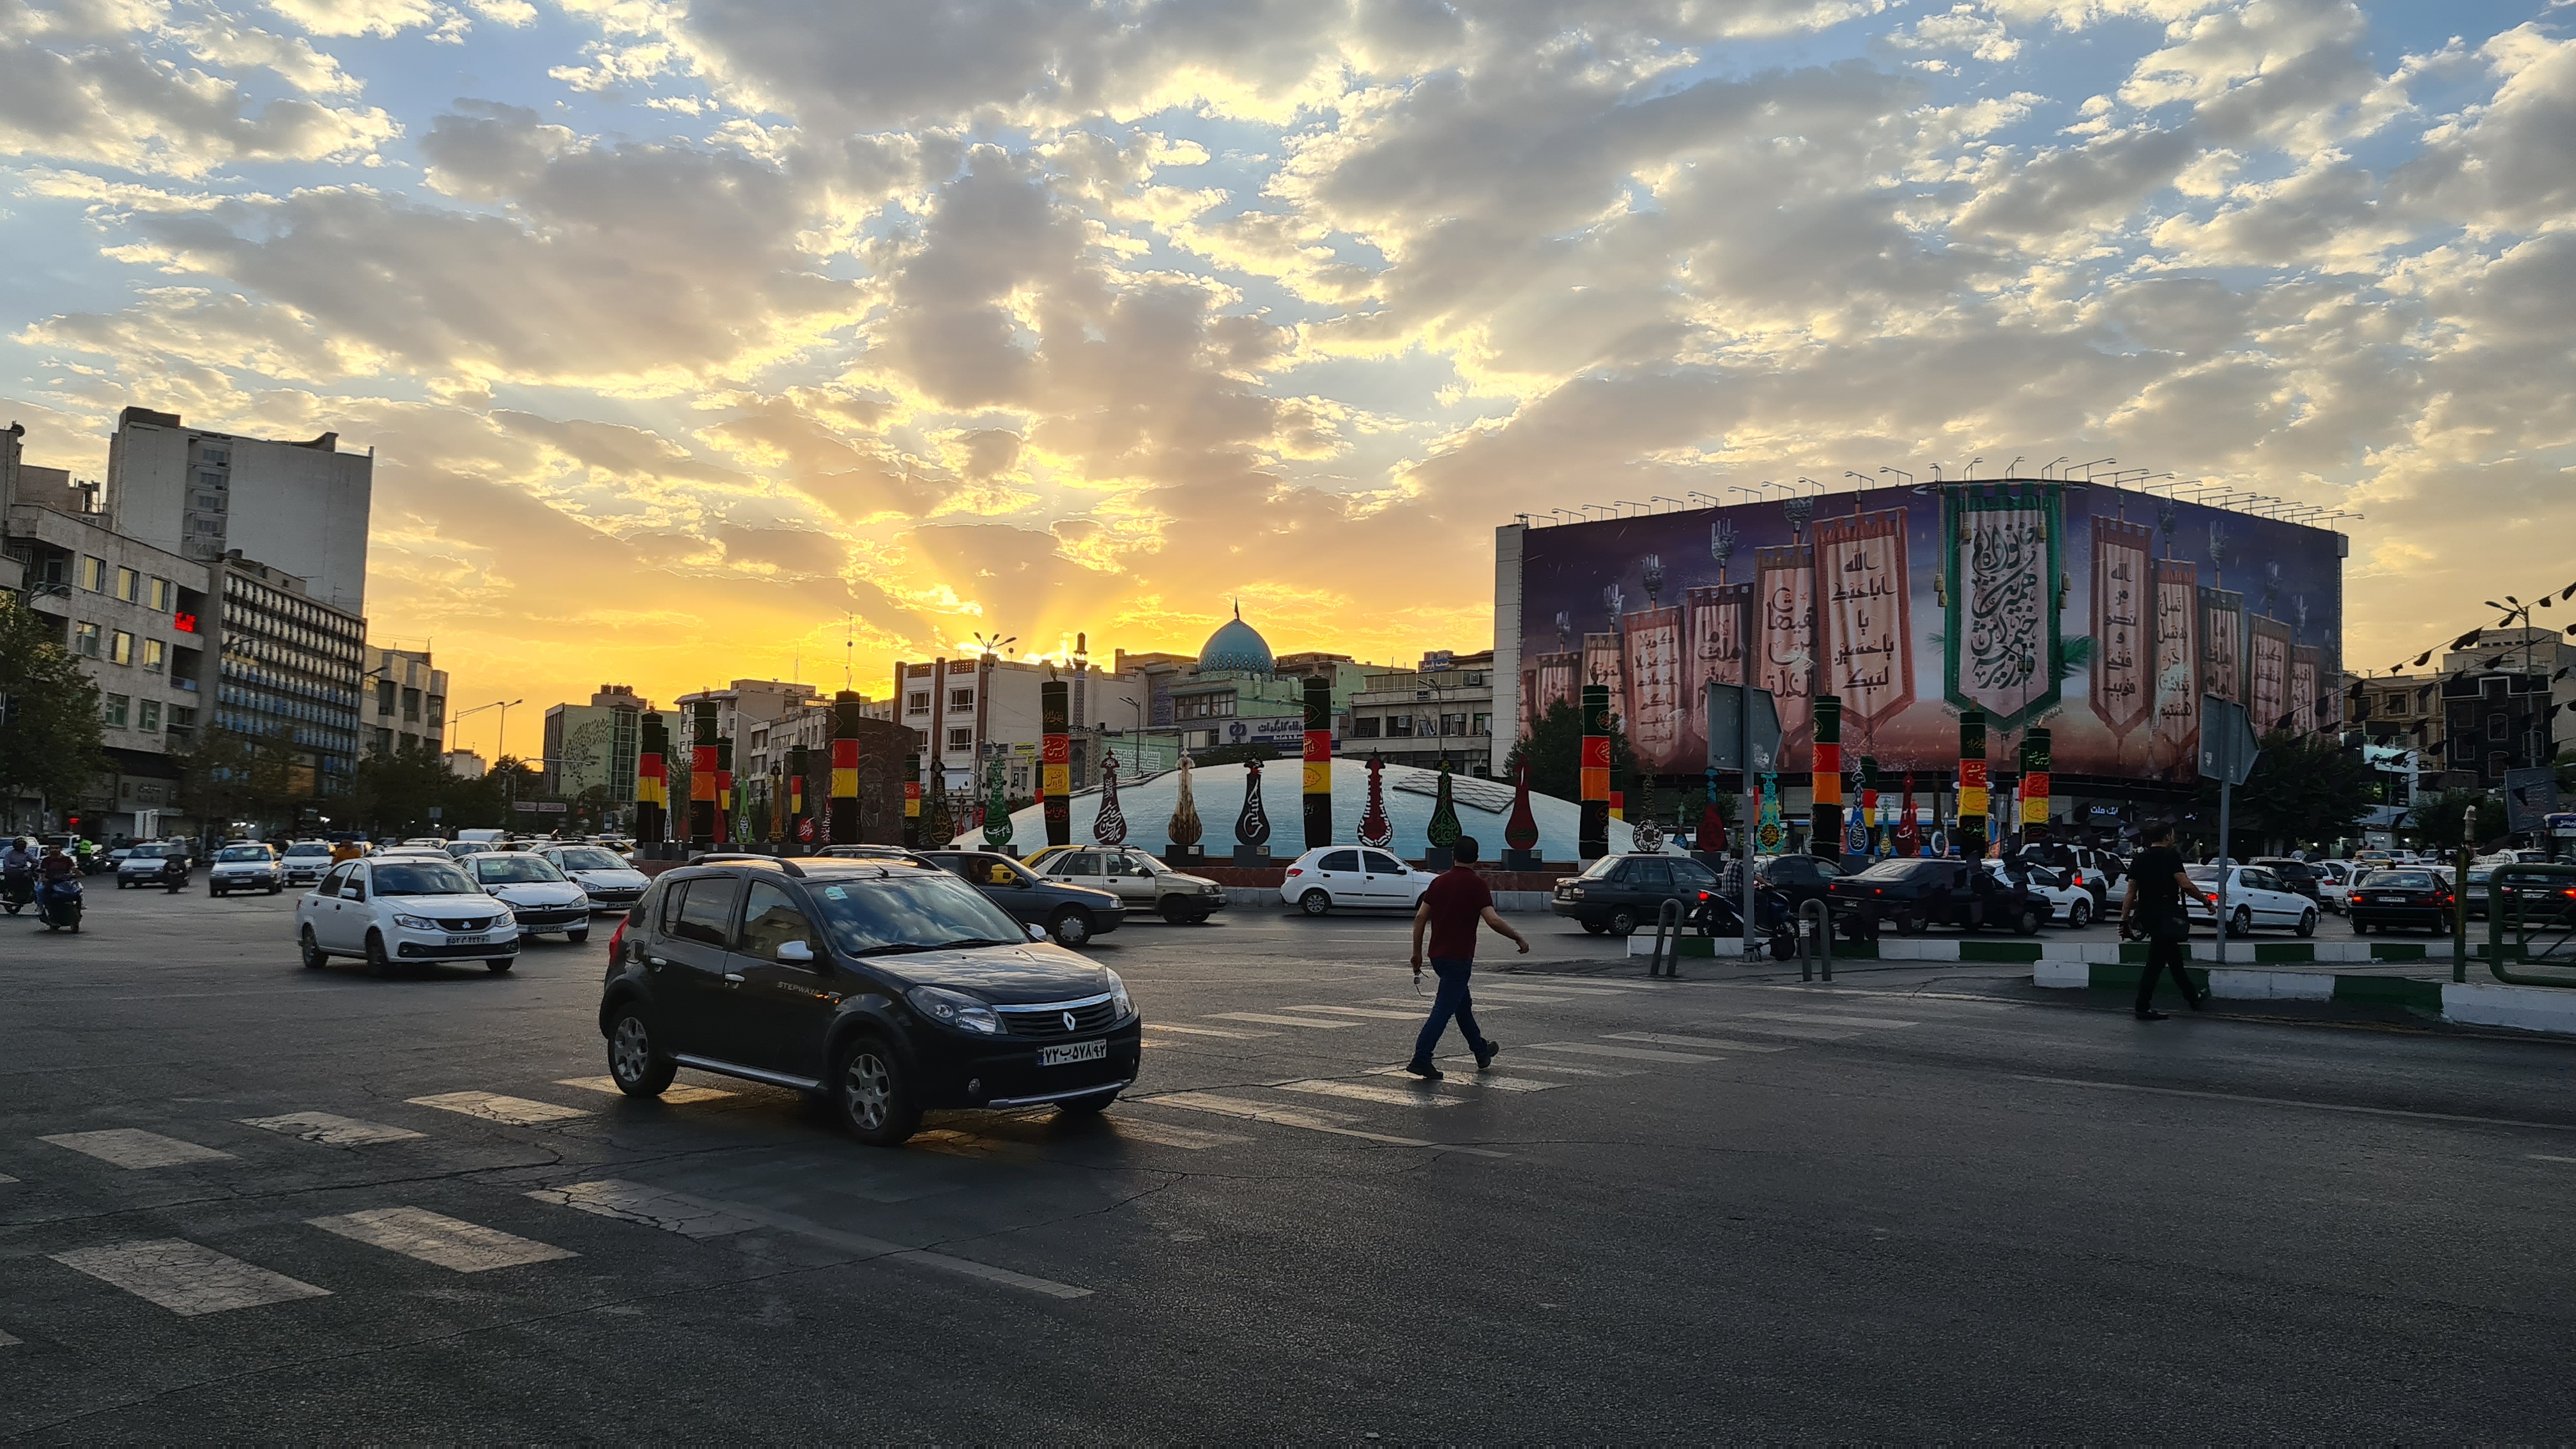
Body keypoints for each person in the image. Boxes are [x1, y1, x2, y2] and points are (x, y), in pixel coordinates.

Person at [1405, 836, 1528, 1079]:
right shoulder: (1476, 885)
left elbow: (1421, 918)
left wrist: (1416, 953)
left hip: (1438, 958)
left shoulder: (1438, 883)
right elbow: (1492, 920)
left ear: (1454, 856)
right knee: (1443, 1010)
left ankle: (1481, 1051)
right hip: (1459, 959)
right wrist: (1517, 938)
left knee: (1462, 1007)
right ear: (1477, 858)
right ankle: (1421, 1058)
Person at [2120, 820, 2210, 1020]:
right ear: (2168, 837)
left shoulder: (2139, 859)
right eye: (2173, 835)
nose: (2174, 839)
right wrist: (2206, 902)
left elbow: (2131, 893)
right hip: (2166, 915)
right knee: (2155, 964)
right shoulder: (2171, 856)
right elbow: (2185, 885)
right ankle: (2142, 1006)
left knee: (2173, 960)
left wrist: (2124, 919)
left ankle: (2192, 997)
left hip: (2147, 915)